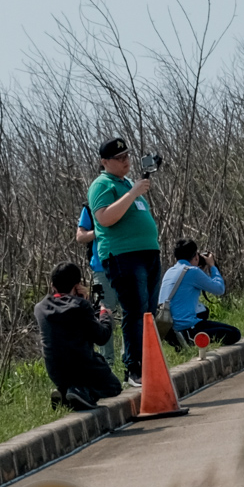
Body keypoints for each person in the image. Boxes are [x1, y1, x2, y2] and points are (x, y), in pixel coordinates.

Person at [87, 137, 161, 387]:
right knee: (135, 311)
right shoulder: (102, 185)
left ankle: (150, 362)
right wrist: (132, 193)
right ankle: (134, 367)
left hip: (148, 252)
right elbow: (104, 218)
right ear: (104, 162)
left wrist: (133, 190)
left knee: (149, 311)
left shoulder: (129, 182)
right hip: (123, 256)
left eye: (127, 156)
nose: (125, 161)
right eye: (119, 158)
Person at [34, 262, 122, 410]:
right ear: (77, 286)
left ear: (52, 285)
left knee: (69, 374)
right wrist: (105, 316)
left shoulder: (40, 308)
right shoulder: (80, 306)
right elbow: (101, 337)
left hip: (56, 372)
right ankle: (82, 392)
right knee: (114, 386)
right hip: (83, 368)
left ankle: (64, 392)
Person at [159, 239, 241, 346]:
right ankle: (189, 340)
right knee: (234, 333)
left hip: (169, 329)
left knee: (204, 311)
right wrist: (212, 266)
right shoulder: (192, 271)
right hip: (187, 328)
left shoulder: (169, 272)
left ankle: (180, 339)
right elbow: (219, 289)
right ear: (196, 256)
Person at [75, 205, 118, 368]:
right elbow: (80, 236)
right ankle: (108, 362)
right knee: (105, 312)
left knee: (132, 313)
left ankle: (131, 358)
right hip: (102, 267)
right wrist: (98, 231)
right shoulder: (91, 208)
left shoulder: (126, 199)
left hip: (128, 265)